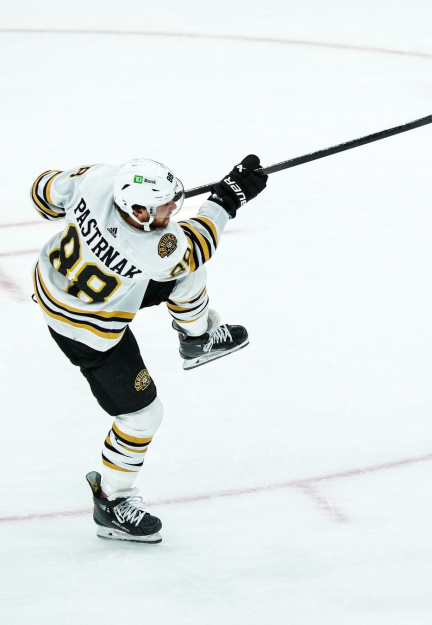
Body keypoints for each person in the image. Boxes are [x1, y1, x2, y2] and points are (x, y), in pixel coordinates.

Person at [30, 156, 267, 543]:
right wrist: (229, 197)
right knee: (142, 418)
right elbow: (196, 244)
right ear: (136, 211)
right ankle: (112, 502)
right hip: (86, 331)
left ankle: (198, 339)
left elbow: (43, 193)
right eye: (163, 208)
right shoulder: (153, 248)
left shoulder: (99, 179)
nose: (173, 209)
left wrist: (81, 212)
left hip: (55, 283)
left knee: (185, 275)